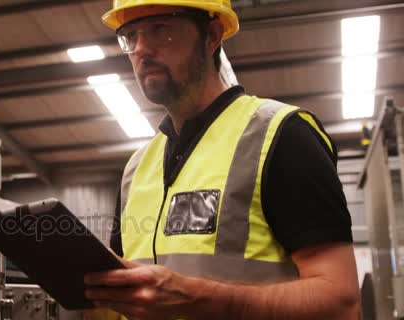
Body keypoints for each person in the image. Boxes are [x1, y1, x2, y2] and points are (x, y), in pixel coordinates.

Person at [83, 1, 360, 319]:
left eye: (161, 29)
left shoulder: (280, 135)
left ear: (212, 35)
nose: (142, 49)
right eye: (130, 35)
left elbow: (341, 302)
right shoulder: (137, 168)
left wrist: (198, 299)